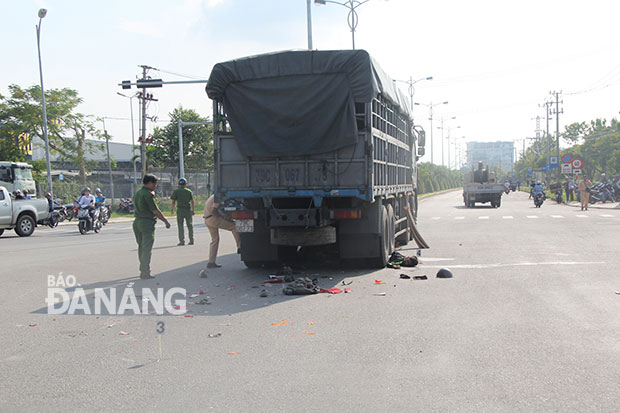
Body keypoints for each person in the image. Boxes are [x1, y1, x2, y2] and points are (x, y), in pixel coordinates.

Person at [133, 174, 171, 279]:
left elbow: (135, 209)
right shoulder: (148, 195)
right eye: (155, 183)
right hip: (146, 223)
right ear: (149, 183)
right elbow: (155, 211)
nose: (156, 186)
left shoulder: (138, 193)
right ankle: (145, 272)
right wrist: (166, 221)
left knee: (141, 247)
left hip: (137, 222)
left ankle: (143, 269)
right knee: (146, 249)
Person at [203, 194, 240, 269]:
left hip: (207, 219)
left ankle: (211, 262)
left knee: (215, 240)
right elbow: (214, 211)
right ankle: (240, 247)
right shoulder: (218, 197)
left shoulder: (212, 196)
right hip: (213, 219)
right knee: (234, 227)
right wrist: (223, 217)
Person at [170, 178, 194, 246]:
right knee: (190, 225)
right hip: (187, 210)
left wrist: (172, 210)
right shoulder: (189, 191)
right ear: (185, 184)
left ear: (178, 184)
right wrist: (193, 210)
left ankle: (182, 241)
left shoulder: (176, 191)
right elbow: (192, 201)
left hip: (180, 210)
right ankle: (191, 240)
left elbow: (173, 202)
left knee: (180, 226)